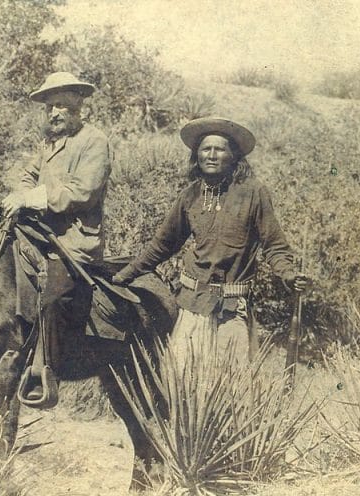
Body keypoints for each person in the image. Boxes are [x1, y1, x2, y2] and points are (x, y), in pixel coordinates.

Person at [113, 117, 310, 366]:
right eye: (206, 149)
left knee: (231, 387)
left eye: (220, 149)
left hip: (231, 307)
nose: (212, 155)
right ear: (197, 155)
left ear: (234, 155)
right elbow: (162, 245)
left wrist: (289, 274)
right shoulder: (190, 195)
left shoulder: (253, 193)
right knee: (182, 382)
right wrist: (125, 275)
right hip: (191, 305)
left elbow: (274, 245)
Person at [1, 71, 112, 400]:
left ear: (80, 106)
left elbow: (83, 191)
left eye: (62, 105)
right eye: (49, 107)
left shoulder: (94, 141)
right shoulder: (48, 144)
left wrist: (33, 197)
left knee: (55, 293)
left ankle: (45, 373)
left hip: (73, 241)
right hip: (39, 233)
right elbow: (26, 175)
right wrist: (21, 193)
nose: (54, 113)